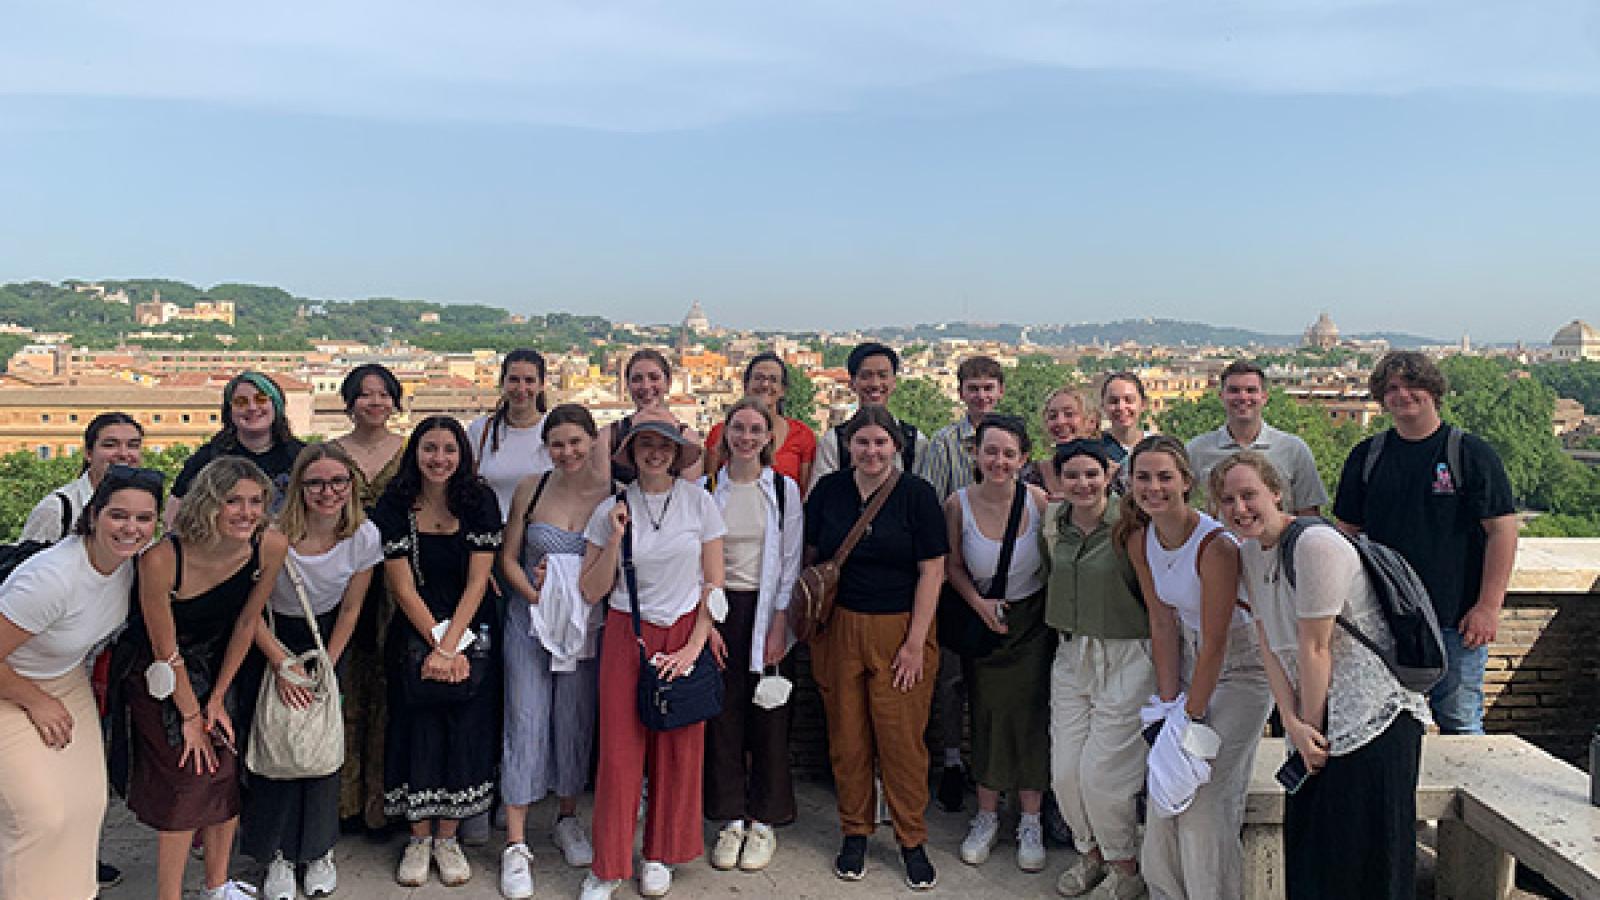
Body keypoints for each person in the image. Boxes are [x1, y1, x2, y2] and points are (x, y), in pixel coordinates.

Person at [1213, 451, 1432, 900]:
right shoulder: (1251, 555)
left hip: (1372, 720)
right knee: (1316, 860)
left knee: (1372, 862)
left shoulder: (1317, 545)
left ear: (1276, 492)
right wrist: (1294, 727)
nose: (1239, 508)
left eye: (1249, 494)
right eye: (1227, 499)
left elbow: (1316, 647)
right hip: (1314, 717)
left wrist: (1309, 730)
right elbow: (1269, 644)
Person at [126, 457, 290, 900]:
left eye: (256, 501)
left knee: (227, 773)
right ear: (208, 503)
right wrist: (191, 715)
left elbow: (246, 624)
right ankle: (170, 895)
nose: (246, 512)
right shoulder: (163, 558)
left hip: (221, 664)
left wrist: (217, 699)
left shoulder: (269, 545)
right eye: (232, 501)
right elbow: (165, 648)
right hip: (160, 672)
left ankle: (217, 887)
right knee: (189, 779)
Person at [578, 410, 726, 900]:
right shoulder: (611, 509)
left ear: (677, 453)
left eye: (664, 446)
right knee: (620, 753)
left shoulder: (699, 503)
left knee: (679, 750)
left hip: (685, 626)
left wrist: (694, 646)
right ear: (633, 454)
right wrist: (617, 537)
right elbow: (590, 588)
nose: (656, 454)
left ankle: (660, 852)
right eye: (646, 446)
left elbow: (714, 583)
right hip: (628, 630)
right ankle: (609, 863)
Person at [1118, 435, 1271, 900]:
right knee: (1165, 787)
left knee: (1204, 800)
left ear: (1186, 481)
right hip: (1190, 666)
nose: (1154, 487)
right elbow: (1162, 624)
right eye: (1143, 477)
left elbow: (1219, 640)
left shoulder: (1215, 546)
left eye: (1165, 476)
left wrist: (1191, 716)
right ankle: (1167, 891)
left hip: (1241, 673)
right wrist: (1168, 706)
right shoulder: (1140, 540)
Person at [1332, 351, 1516, 735]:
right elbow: (1345, 535)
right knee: (1384, 725)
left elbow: (1502, 531)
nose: (1402, 395)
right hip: (1385, 620)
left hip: (1456, 618)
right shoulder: (1366, 457)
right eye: (1392, 388)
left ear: (1433, 390)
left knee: (1460, 722)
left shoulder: (1470, 454)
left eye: (1412, 384)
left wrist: (1488, 607)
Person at [0, 465, 161, 900]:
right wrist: (35, 701)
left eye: (144, 518)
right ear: (93, 515)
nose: (131, 528)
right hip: (11, 685)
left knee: (86, 806)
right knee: (40, 817)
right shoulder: (50, 579)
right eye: (118, 515)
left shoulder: (133, 566)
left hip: (64, 679)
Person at [806, 406, 947, 890]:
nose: (871, 451)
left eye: (880, 443)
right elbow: (810, 555)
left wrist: (914, 643)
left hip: (900, 629)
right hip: (840, 626)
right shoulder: (829, 492)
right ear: (848, 446)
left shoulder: (916, 496)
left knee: (902, 742)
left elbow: (933, 570)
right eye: (862, 442)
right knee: (847, 739)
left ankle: (911, 838)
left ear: (896, 447)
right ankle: (855, 831)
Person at [243, 444, 382, 900]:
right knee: (275, 743)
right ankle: (279, 855)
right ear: (299, 486)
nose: (328, 492)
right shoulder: (274, 534)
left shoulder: (363, 536)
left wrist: (327, 666)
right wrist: (280, 663)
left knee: (321, 746)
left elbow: (352, 608)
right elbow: (252, 611)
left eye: (338, 482)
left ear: (351, 486)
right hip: (273, 637)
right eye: (317, 482)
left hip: (326, 641)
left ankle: (318, 850)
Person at [370, 416, 503, 888]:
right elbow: (402, 587)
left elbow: (476, 582)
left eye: (449, 449)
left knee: (464, 730)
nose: (439, 459)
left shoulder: (479, 501)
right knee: (417, 730)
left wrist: (451, 647)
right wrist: (435, 642)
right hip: (414, 629)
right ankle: (418, 837)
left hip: (472, 629)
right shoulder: (394, 505)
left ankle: (448, 838)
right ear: (416, 452)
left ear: (462, 455)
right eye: (430, 448)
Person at [495, 404, 613, 899]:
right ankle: (517, 841)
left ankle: (567, 816)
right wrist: (538, 596)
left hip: (583, 625)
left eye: (576, 442)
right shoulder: (532, 487)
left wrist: (569, 592)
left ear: (592, 441)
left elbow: (612, 566)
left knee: (573, 719)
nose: (567, 452)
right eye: (558, 444)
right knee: (524, 719)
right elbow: (508, 557)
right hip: (529, 621)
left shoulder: (612, 496)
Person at [1045, 440, 1155, 900]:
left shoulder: (1130, 527)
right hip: (1072, 653)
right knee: (1065, 772)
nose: (1083, 483)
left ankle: (1124, 865)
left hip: (1126, 654)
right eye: (1072, 475)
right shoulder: (1053, 524)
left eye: (1092, 474)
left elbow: (1156, 602)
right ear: (1058, 480)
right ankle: (1089, 855)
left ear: (1109, 474)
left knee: (1106, 775)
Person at [943, 415, 1052, 872]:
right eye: (991, 451)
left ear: (1024, 458)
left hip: (1032, 624)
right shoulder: (957, 504)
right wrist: (980, 604)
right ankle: (986, 815)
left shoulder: (1040, 502)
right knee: (985, 715)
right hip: (984, 620)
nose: (999, 461)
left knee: (1030, 717)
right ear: (975, 454)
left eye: (1009, 453)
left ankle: (1031, 819)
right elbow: (951, 565)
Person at [702, 398, 804, 873]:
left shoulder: (784, 491)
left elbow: (790, 561)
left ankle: (764, 818)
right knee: (721, 717)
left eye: (754, 429)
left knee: (769, 715)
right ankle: (729, 819)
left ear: (769, 438)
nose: (745, 437)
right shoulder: (706, 489)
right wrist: (706, 624)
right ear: (725, 436)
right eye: (737, 428)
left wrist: (780, 623)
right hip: (720, 613)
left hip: (766, 608)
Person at [918, 356, 1006, 811]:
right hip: (954, 581)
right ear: (961, 393)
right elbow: (931, 510)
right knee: (950, 681)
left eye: (988, 387)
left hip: (1004, 582)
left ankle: (995, 766)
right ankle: (954, 761)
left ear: (1000, 392)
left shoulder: (1013, 438)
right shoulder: (943, 443)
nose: (981, 396)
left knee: (994, 682)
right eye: (973, 387)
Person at [328, 363, 407, 834]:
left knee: (391, 689)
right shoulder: (331, 452)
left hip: (398, 576)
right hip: (344, 575)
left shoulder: (410, 449)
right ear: (350, 401)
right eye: (364, 394)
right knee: (347, 689)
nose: (374, 402)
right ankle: (344, 802)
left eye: (382, 394)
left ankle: (384, 803)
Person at [1185, 360, 1329, 514]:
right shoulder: (1196, 451)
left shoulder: (1294, 450)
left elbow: (1308, 516)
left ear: (1264, 397)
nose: (1242, 397)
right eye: (1234, 390)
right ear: (1221, 396)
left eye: (1251, 390)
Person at [169, 371, 307, 525]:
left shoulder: (302, 457)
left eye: (261, 399)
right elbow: (175, 510)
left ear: (276, 405)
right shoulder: (208, 458)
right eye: (241, 402)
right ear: (229, 412)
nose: (252, 407)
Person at [810, 342, 929, 489]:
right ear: (852, 383)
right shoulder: (833, 442)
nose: (875, 383)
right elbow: (820, 498)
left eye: (882, 375)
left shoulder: (916, 442)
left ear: (894, 382)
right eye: (866, 376)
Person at [19, 412, 144, 543]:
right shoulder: (56, 510)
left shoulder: (144, 505)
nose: (123, 454)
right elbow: (28, 561)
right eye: (110, 445)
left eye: (133, 445)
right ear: (88, 453)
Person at [702, 352, 819, 491]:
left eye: (773, 379)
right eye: (758, 378)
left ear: (783, 390)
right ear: (746, 385)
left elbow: (805, 493)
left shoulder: (802, 435)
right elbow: (709, 488)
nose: (765, 384)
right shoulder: (719, 433)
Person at [468, 349, 555, 518]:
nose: (521, 388)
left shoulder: (554, 432)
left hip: (539, 534)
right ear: (503, 382)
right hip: (489, 535)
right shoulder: (479, 430)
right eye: (514, 380)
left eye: (529, 380)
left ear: (542, 385)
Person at [599, 348, 704, 485]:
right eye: (637, 379)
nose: (646, 386)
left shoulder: (687, 438)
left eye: (654, 378)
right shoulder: (608, 437)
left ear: (668, 383)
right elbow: (601, 491)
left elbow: (690, 497)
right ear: (627, 386)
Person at [1022, 387, 1094, 499]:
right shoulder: (1033, 474)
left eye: (1069, 414)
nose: (1060, 422)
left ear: (1090, 422)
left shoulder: (1112, 474)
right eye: (1053, 416)